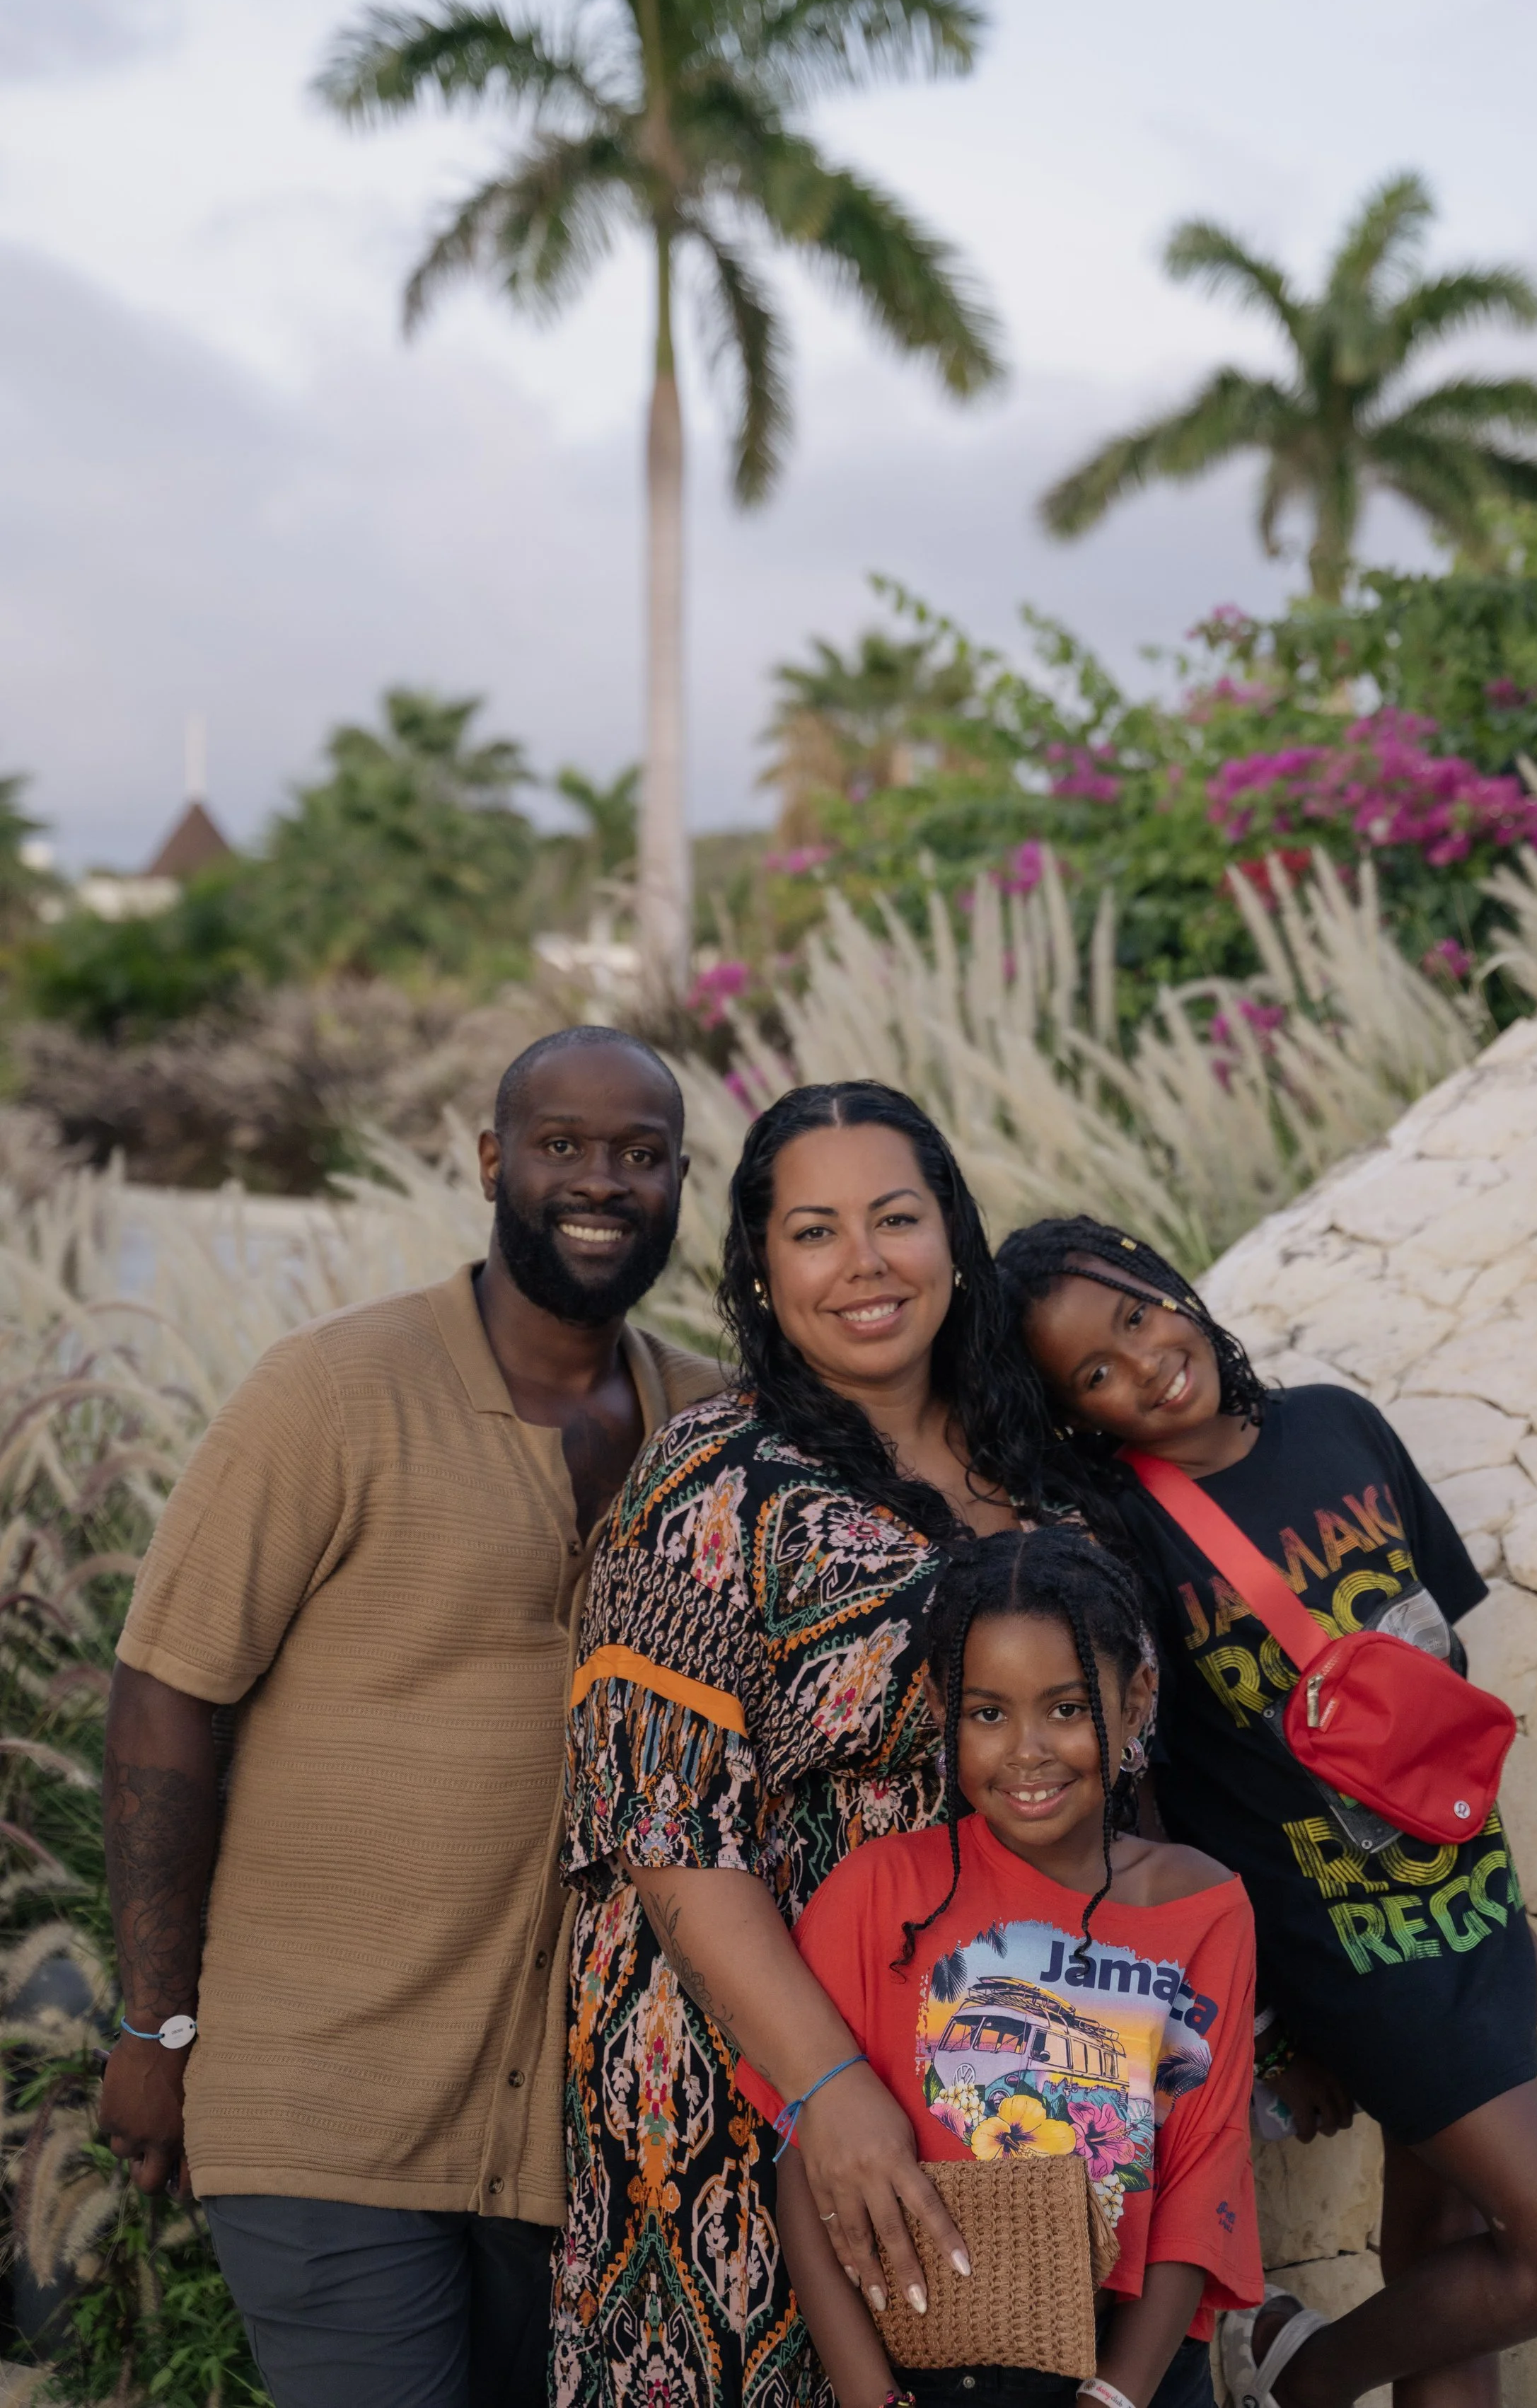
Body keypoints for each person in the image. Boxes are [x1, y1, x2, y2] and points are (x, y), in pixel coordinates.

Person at [98, 1025, 721, 2408]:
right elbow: (163, 1697)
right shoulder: (329, 1392)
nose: (601, 1180)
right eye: (562, 1144)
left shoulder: (711, 1428)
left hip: (592, 2142)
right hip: (331, 2104)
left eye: (641, 1154)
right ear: (493, 1161)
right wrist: (156, 2026)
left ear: (681, 1181)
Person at [996, 1216, 1537, 2408]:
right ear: (1075, 1413)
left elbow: (1431, 1693)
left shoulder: (1340, 1424)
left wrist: (1514, 1913)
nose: (1142, 1364)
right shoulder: (1130, 1531)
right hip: (1347, 1954)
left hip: (1467, 1901)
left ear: (1166, 1284)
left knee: (1443, 2233)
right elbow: (1156, 1788)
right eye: (1095, 1372)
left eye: (1137, 1316)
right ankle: (1306, 2376)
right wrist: (1272, 2024)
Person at [552, 1080, 1089, 2408]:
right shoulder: (713, 1481)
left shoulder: (1049, 1468)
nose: (864, 1265)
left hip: (1016, 2069)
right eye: (813, 1231)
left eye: (896, 1218)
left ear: (954, 1238)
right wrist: (832, 2092)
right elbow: (669, 1836)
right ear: (759, 1267)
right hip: (766, 2092)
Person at [738, 1527, 1264, 2408]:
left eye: (1065, 1709)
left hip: (1133, 2371)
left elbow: (1204, 2168)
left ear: (1135, 1702)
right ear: (945, 1715)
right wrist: (872, 2397)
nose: (1027, 1750)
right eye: (989, 1713)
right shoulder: (876, 1893)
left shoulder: (1202, 1909)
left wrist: (1120, 2395)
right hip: (929, 2376)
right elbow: (805, 2167)